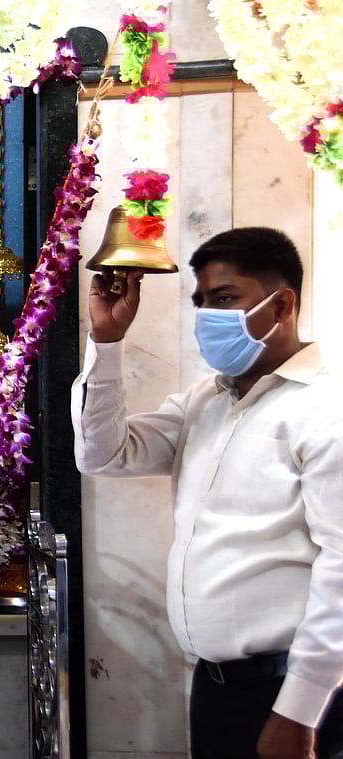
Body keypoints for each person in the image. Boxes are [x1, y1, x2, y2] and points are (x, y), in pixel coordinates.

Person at [71, 228, 343, 759]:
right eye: (201, 301)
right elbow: (103, 454)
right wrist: (106, 341)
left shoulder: (324, 410)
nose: (206, 316)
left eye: (224, 298)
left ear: (281, 305)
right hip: (215, 689)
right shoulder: (206, 400)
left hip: (295, 694)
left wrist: (298, 711)